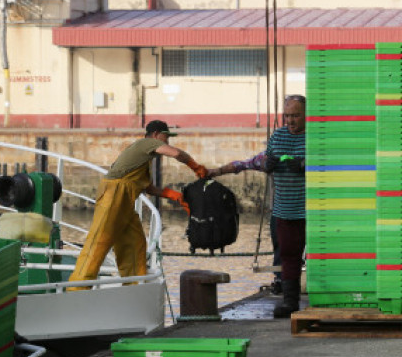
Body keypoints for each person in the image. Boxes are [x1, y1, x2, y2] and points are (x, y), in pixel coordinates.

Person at [68, 120, 208, 288]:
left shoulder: (143, 157)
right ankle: (77, 287)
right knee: (99, 241)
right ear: (156, 134)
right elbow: (176, 153)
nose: (167, 141)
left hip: (125, 201)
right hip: (114, 195)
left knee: (135, 243)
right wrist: (195, 166)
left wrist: (173, 195)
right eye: (166, 136)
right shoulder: (147, 143)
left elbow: (147, 187)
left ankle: (133, 287)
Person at [211, 95, 306, 317]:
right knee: (288, 256)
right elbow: (255, 162)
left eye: (296, 116)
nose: (290, 121)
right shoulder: (278, 135)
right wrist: (267, 164)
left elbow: (328, 162)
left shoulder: (316, 136)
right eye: (287, 116)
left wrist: (303, 164)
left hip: (311, 211)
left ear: (306, 115)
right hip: (285, 210)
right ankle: (290, 303)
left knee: (320, 255)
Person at [208, 150, 282, 294]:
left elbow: (241, 165)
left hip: (302, 210)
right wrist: (217, 171)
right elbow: (241, 165)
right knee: (280, 245)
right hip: (281, 212)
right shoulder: (268, 158)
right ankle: (281, 279)